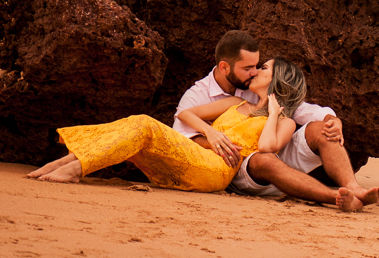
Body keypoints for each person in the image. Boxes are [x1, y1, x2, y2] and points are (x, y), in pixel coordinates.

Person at [26, 58, 309, 197]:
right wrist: (210, 131)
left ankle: (76, 166)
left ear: (278, 81)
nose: (256, 70)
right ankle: (70, 160)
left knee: (145, 124)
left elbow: (267, 148)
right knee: (136, 127)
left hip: (216, 171)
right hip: (194, 158)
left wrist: (272, 112)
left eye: (264, 68)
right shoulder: (235, 102)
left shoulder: (285, 121)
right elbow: (186, 114)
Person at [173, 30, 379, 211]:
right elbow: (182, 135)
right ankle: (335, 196)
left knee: (321, 129)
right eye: (249, 68)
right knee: (264, 158)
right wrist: (212, 136)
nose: (254, 72)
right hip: (246, 164)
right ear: (225, 67)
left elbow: (304, 111)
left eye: (260, 67)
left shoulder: (265, 98)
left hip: (277, 151)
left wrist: (334, 121)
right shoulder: (206, 97)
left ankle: (353, 188)